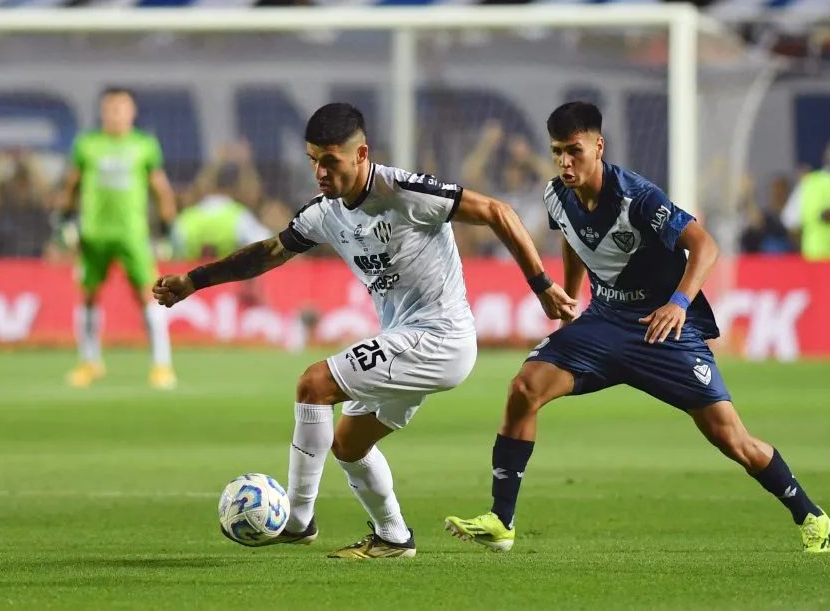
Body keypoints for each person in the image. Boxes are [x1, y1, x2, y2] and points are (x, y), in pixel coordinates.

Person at [153, 103, 576, 559]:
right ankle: (394, 536)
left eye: (330, 160)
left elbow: (498, 210)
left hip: (440, 336)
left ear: (361, 154)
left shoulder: (404, 191)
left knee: (312, 384)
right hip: (406, 339)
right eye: (313, 159)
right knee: (349, 444)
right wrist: (194, 281)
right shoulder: (325, 212)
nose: (319, 171)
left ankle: (297, 520)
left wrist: (542, 285)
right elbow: (269, 252)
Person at [444, 101, 830, 554]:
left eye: (575, 150)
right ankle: (501, 521)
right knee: (523, 389)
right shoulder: (556, 195)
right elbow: (572, 235)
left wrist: (679, 304)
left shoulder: (638, 198)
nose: (566, 162)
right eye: (557, 152)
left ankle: (811, 516)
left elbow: (704, 246)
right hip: (604, 324)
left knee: (733, 440)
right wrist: (571, 297)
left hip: (661, 332)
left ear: (598, 146)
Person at [56, 88, 178, 390]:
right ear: (102, 112)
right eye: (110, 108)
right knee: (87, 295)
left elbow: (160, 187)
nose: (116, 114)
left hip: (131, 235)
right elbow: (72, 183)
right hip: (93, 235)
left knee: (149, 295)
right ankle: (89, 361)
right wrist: (65, 219)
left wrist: (166, 227)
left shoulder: (144, 145)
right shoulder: (87, 145)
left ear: (132, 112)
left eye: (122, 108)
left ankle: (162, 365)